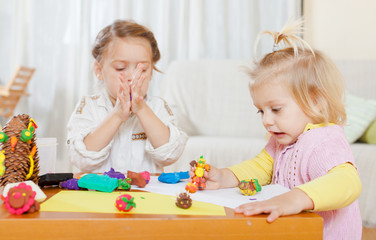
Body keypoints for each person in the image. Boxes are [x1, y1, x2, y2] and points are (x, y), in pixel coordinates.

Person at [190, 20, 362, 240]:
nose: (267, 121)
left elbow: (347, 182)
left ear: (316, 101)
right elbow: (261, 167)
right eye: (261, 111)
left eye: (276, 109)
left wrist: (295, 198)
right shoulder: (282, 139)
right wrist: (224, 176)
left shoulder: (324, 141)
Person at [67, 20, 188, 173]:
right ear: (99, 70)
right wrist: (117, 115)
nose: (132, 77)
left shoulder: (157, 107)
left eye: (142, 69)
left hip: (147, 194)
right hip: (100, 195)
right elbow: (82, 158)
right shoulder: (88, 106)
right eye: (121, 68)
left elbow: (170, 154)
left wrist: (142, 109)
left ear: (151, 72)